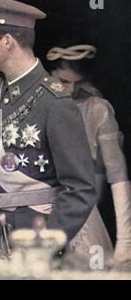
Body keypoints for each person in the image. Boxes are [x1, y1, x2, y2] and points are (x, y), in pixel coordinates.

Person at [0, 0, 99, 261]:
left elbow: (80, 188)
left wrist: (45, 244)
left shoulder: (55, 102)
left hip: (33, 238)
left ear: (8, 40)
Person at [46, 44, 131, 267]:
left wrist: (125, 241)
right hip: (36, 211)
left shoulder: (97, 109)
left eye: (77, 83)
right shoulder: (36, 104)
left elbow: (118, 175)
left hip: (81, 212)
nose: (72, 90)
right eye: (64, 81)